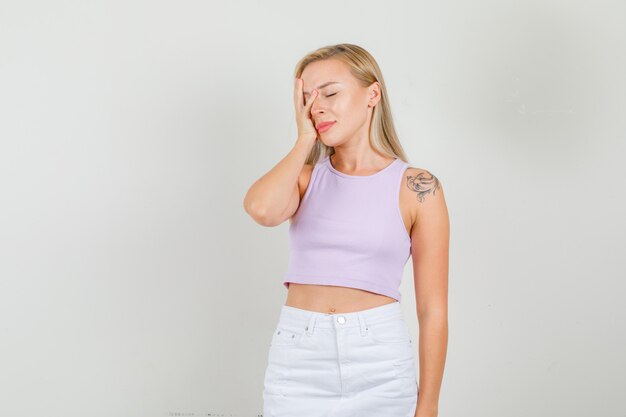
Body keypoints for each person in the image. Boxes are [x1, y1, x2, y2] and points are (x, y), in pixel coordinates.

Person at [243, 43, 449, 417]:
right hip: (300, 361)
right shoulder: (304, 181)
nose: (316, 106)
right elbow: (261, 209)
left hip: (380, 363)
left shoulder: (418, 187)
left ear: (372, 94)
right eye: (307, 98)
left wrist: (429, 404)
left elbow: (432, 309)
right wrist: (305, 138)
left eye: (331, 93)